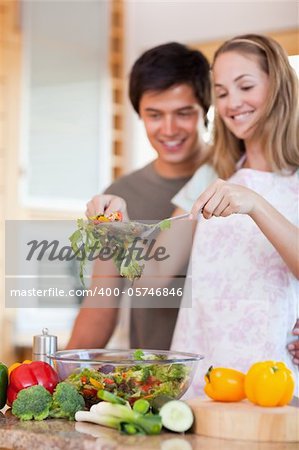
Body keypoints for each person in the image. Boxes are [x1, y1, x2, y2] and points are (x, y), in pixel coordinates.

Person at [170, 34, 299, 397]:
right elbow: (156, 270)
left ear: (278, 86)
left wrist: (255, 204)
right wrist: (117, 220)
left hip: (274, 375)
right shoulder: (212, 173)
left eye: (245, 86)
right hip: (205, 372)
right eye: (222, 92)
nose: (233, 103)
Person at [67, 42, 213, 350]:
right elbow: (100, 307)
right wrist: (55, 375)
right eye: (155, 115)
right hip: (153, 380)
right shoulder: (121, 195)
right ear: (139, 114)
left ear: (206, 109)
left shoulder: (231, 178)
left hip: (231, 376)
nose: (169, 129)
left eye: (184, 113)